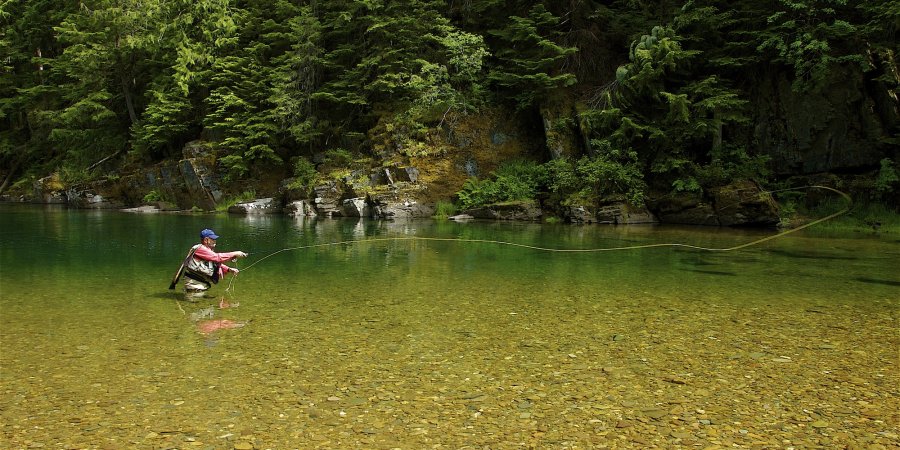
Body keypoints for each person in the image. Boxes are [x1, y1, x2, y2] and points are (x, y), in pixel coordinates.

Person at [182, 228, 248, 300]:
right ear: (206, 240)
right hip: (194, 285)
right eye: (212, 239)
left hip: (199, 285)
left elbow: (214, 262)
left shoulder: (207, 251)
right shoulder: (200, 249)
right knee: (198, 307)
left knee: (206, 308)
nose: (215, 241)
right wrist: (235, 253)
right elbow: (217, 257)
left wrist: (229, 269)